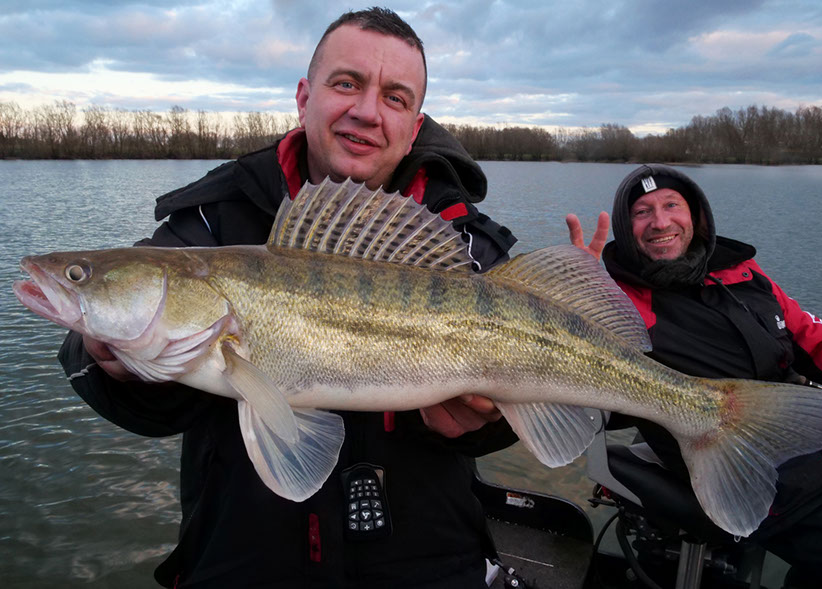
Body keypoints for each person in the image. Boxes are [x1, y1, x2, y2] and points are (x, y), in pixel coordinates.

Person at [58, 8, 518, 588]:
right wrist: (108, 364)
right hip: (242, 560)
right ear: (305, 97)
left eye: (395, 97)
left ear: (414, 123)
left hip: (430, 559)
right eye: (346, 83)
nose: (367, 111)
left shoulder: (463, 239)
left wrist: (484, 423)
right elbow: (112, 374)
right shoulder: (211, 219)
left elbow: (536, 396)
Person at [568, 163, 822, 588]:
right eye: (641, 212)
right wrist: (580, 297)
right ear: (627, 229)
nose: (660, 222)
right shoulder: (619, 303)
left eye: (671, 205)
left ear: (695, 216)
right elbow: (578, 371)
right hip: (757, 472)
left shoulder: (745, 275)